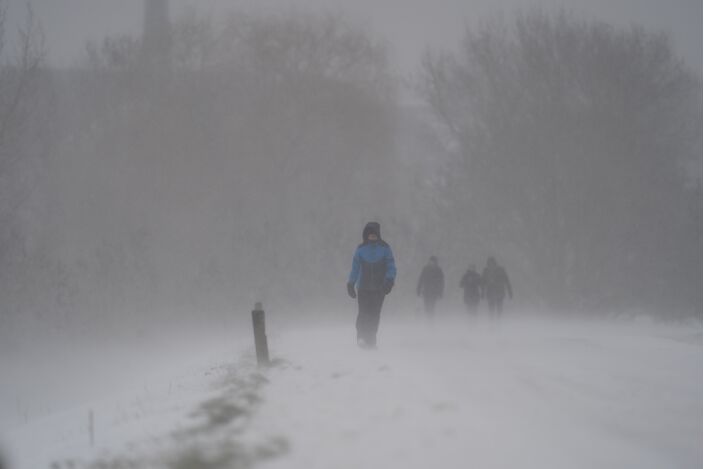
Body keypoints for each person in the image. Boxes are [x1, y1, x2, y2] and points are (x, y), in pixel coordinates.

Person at [347, 222, 397, 349]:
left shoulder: (385, 248)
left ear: (378, 235)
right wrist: (350, 283)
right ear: (366, 235)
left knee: (375, 314)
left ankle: (371, 338)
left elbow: (391, 266)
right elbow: (355, 268)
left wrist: (389, 281)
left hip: (379, 288)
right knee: (363, 312)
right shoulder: (360, 249)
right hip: (363, 287)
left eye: (375, 235)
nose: (372, 237)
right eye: (370, 235)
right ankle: (361, 336)